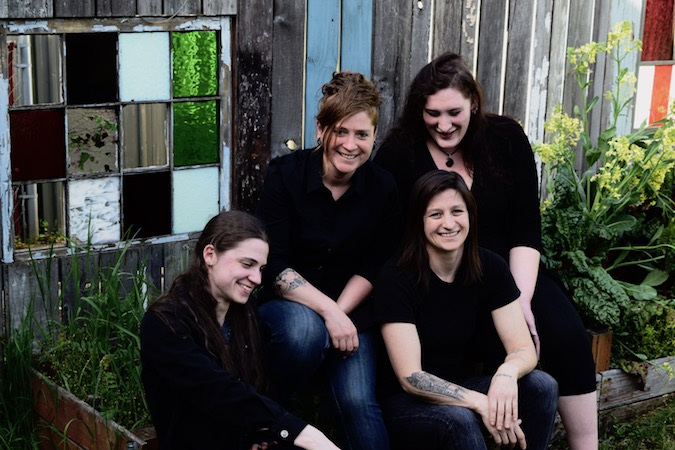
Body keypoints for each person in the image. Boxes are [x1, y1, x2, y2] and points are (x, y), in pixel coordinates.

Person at [373, 52, 598, 450]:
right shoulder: (399, 152)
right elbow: (392, 233)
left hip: (504, 268)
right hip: (437, 273)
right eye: (432, 113)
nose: (444, 124)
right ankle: (490, 424)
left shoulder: (505, 139)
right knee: (479, 346)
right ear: (419, 110)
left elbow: (526, 227)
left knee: (563, 333)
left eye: (454, 112)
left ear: (474, 104)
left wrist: (521, 299)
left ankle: (585, 444)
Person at [255, 71, 398, 450]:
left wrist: (341, 314)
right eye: (341, 132)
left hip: (353, 313)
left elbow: (375, 263)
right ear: (321, 130)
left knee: (359, 404)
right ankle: (268, 412)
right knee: (306, 331)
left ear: (374, 137)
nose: (351, 145)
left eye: (362, 134)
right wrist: (330, 315)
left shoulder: (383, 187)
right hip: (289, 308)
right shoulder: (284, 175)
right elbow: (272, 263)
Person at [373, 170, 558, 449]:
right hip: (404, 404)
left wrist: (506, 374)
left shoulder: (490, 267)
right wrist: (477, 401)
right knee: (459, 418)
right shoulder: (397, 277)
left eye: (457, 211)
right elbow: (411, 377)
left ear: (470, 215)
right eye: (435, 214)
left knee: (541, 386)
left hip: (462, 385)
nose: (448, 223)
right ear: (419, 222)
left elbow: (523, 348)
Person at [140, 210, 341, 450]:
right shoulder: (165, 321)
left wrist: (260, 437)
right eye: (247, 264)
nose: (256, 278)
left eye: (261, 268)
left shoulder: (245, 314)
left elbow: (256, 389)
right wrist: (304, 434)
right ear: (210, 255)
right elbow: (216, 391)